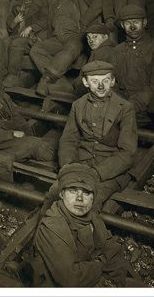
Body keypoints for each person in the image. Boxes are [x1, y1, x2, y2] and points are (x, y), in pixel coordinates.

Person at [32, 164, 131, 287]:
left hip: (92, 279)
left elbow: (114, 251)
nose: (79, 198)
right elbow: (71, 279)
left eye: (86, 192)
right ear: (62, 194)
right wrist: (102, 263)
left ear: (93, 198)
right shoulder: (52, 226)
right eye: (73, 191)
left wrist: (116, 284)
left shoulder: (93, 218)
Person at [58, 61, 137, 205]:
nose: (101, 86)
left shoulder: (125, 108)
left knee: (91, 201)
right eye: (95, 81)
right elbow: (68, 140)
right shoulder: (78, 105)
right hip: (81, 163)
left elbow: (128, 152)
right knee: (57, 195)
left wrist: (97, 172)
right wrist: (69, 167)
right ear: (85, 82)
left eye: (105, 80)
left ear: (112, 81)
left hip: (111, 170)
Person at [30, 0, 101, 96]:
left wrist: (84, 21)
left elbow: (99, 2)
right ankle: (62, 84)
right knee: (36, 49)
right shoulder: (52, 1)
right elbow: (47, 22)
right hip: (57, 38)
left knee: (71, 47)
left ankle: (46, 79)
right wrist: (35, 32)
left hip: (76, 37)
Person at [112, 5, 154, 127]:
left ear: (144, 23)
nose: (132, 27)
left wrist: (133, 104)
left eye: (136, 22)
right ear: (122, 25)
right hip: (121, 103)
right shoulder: (117, 51)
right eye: (127, 23)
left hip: (146, 107)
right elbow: (112, 81)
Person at [4, 0, 50, 88]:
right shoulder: (17, 4)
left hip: (34, 36)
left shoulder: (43, 3)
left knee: (17, 43)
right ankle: (3, 72)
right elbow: (9, 25)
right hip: (18, 34)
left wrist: (30, 27)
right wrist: (15, 21)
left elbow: (46, 20)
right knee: (4, 42)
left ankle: (13, 75)